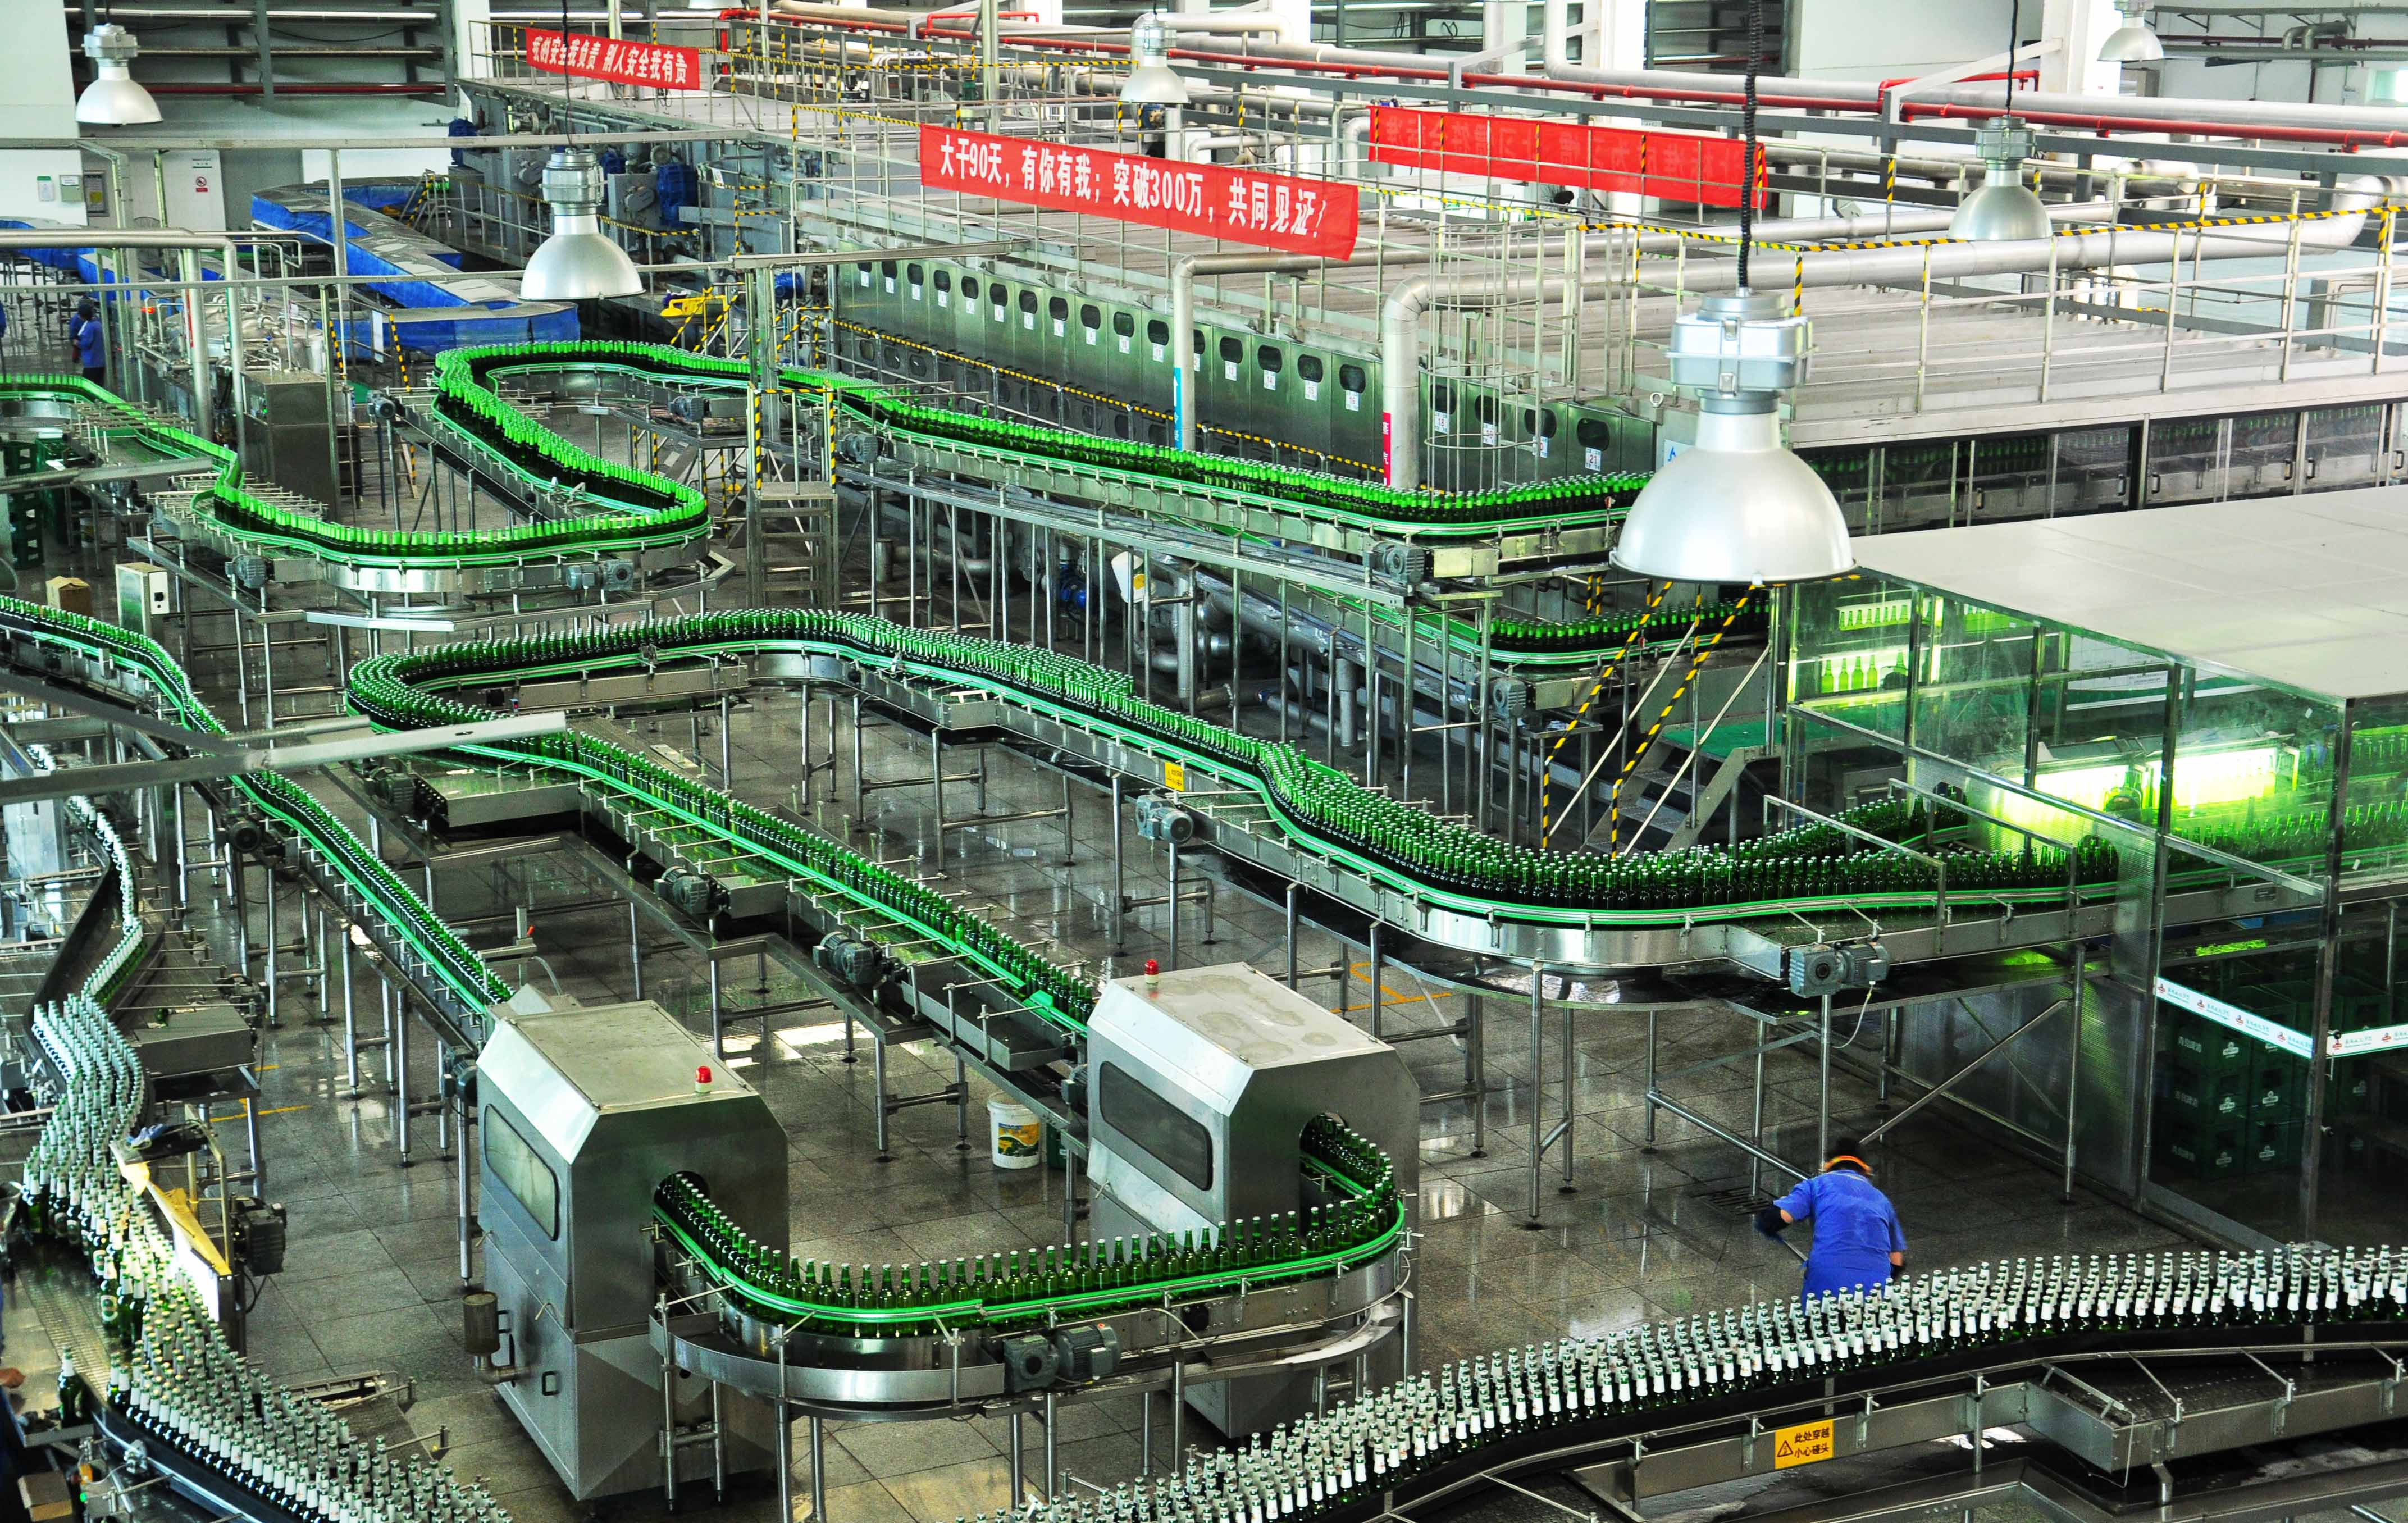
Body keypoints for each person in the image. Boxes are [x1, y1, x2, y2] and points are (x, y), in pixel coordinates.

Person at [1754, 1141, 1906, 1300]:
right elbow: (1897, 1261)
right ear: (1865, 1171)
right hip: (1876, 1282)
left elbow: (1778, 1218)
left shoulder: (1818, 1184)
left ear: (1827, 1167)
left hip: (1829, 1275)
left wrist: (1765, 1223)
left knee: (1820, 1315)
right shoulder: (1882, 1199)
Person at [69, 300, 104, 386]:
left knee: (87, 386)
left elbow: (85, 345)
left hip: (92, 362)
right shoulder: (97, 323)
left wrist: (77, 343)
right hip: (101, 361)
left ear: (82, 316)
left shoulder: (89, 327)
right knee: (99, 386)